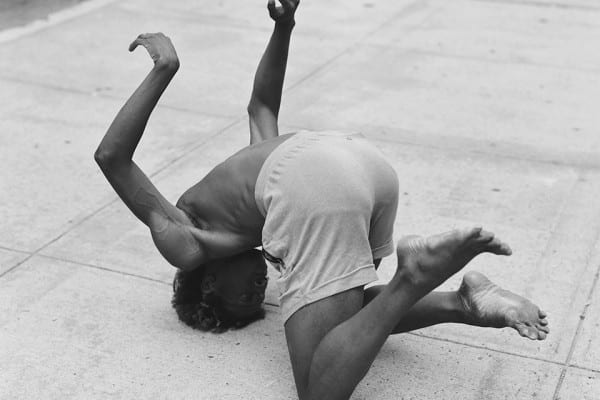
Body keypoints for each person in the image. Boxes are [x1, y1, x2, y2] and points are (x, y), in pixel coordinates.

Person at [94, 1, 550, 398]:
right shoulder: (243, 203)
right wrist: (284, 28)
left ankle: (414, 276)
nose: (259, 294)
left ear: (208, 285)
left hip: (315, 182)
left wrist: (163, 69)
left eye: (242, 298)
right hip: (359, 163)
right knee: (343, 325)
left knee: (319, 390)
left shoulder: (187, 244)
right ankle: (461, 303)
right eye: (257, 302)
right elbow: (262, 108)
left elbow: (112, 158)